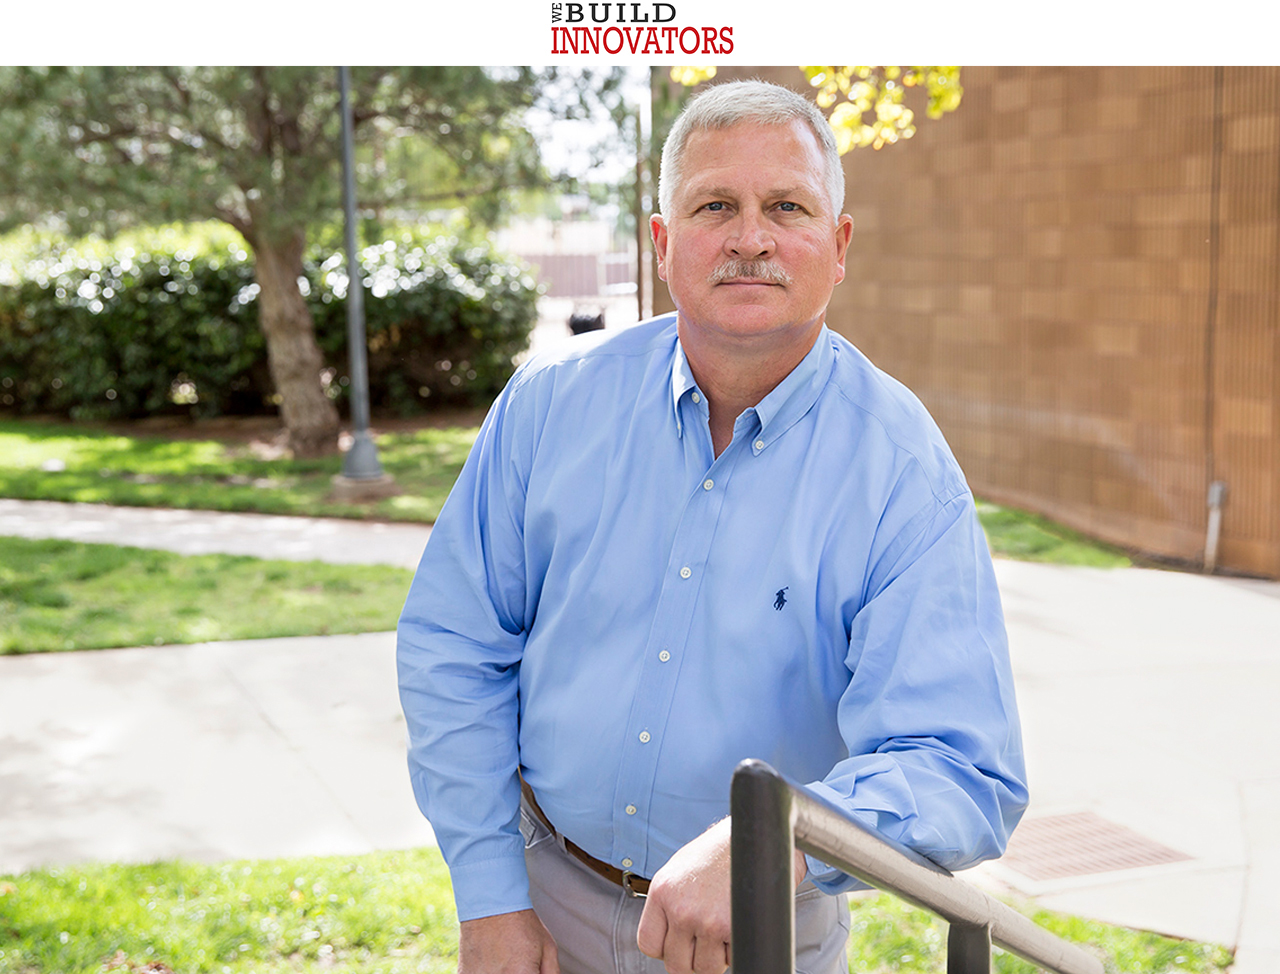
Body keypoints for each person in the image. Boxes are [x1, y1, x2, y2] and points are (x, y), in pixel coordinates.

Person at [397, 79, 1028, 974]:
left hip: (760, 932)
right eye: (715, 205)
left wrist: (777, 840)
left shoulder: (903, 473)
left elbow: (961, 767)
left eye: (787, 206)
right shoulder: (549, 405)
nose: (750, 238)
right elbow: (454, 648)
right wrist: (491, 895)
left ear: (838, 245)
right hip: (542, 909)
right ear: (663, 243)